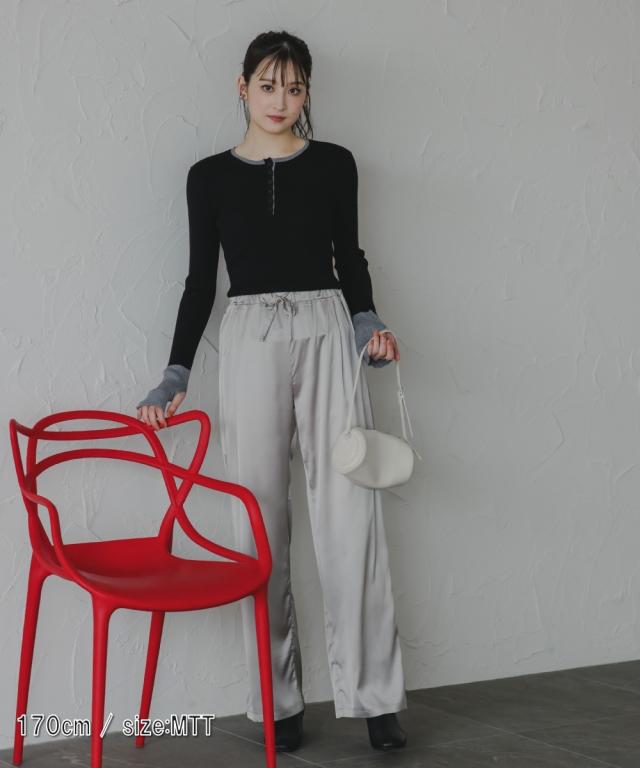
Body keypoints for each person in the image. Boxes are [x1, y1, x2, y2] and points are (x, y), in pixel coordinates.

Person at [136, 30, 408, 753]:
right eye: (267, 85)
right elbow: (201, 283)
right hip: (250, 337)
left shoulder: (335, 164)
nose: (280, 100)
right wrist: (175, 373)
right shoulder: (207, 177)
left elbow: (350, 258)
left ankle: (376, 699)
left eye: (293, 87)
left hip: (326, 327)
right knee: (257, 518)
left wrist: (369, 326)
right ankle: (276, 700)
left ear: (307, 92)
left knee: (351, 510)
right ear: (242, 87)